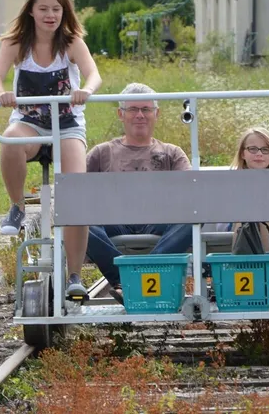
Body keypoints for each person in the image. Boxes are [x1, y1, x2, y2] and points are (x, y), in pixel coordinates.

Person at [0, 0, 102, 300]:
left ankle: (75, 274)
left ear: (64, 12)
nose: (50, 15)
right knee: (9, 140)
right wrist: (2, 94)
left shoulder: (71, 42)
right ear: (32, 12)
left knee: (76, 192)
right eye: (44, 9)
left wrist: (86, 91)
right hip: (30, 123)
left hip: (66, 124)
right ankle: (17, 206)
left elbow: (93, 73)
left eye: (56, 9)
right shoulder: (16, 42)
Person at [83, 83, 193, 304]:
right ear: (121, 114)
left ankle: (138, 277)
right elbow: (78, 193)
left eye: (146, 109)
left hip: (159, 221)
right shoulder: (101, 153)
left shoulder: (172, 153)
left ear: (157, 113)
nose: (140, 115)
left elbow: (191, 192)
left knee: (193, 218)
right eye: (133, 109)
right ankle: (129, 279)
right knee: (79, 223)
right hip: (113, 221)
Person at [227, 127, 269, 304]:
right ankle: (242, 283)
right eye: (252, 149)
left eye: (265, 150)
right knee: (250, 215)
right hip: (239, 223)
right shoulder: (231, 180)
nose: (259, 154)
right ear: (242, 154)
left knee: (263, 215)